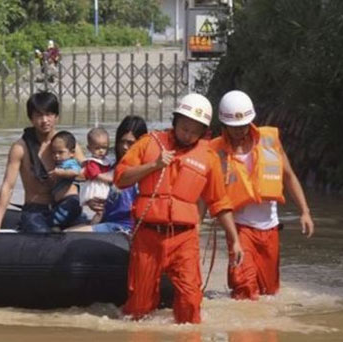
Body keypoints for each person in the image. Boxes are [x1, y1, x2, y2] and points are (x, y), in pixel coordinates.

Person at [114, 93, 244, 323]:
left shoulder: (209, 158)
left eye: (195, 131)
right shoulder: (149, 143)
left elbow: (220, 203)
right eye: (184, 128)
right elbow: (121, 178)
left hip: (184, 239)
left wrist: (234, 240)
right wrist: (154, 165)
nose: (188, 135)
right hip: (148, 236)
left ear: (204, 132)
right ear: (175, 122)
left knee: (191, 304)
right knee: (138, 309)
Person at [210, 90, 314, 300]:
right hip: (239, 229)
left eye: (243, 126)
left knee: (269, 293)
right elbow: (206, 194)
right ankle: (242, 332)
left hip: (269, 228)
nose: (239, 131)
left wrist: (305, 211)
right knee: (245, 289)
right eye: (233, 127)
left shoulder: (269, 141)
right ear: (224, 126)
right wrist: (194, 227)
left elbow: (289, 176)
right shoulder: (216, 151)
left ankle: (264, 332)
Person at [0, 92, 84, 233]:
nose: (45, 120)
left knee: (87, 232)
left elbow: (88, 172)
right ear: (31, 118)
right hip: (36, 211)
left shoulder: (69, 145)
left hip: (66, 207)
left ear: (56, 116)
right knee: (43, 237)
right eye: (39, 115)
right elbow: (8, 186)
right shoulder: (20, 148)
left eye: (49, 114)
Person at [67, 116, 148, 233]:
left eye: (130, 143)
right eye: (121, 142)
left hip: (126, 228)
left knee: (69, 235)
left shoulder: (144, 171)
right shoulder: (109, 166)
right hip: (107, 222)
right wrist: (91, 202)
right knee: (64, 233)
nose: (124, 147)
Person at [48, 131, 83, 230]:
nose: (57, 156)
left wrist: (60, 173)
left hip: (70, 201)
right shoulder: (60, 164)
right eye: (54, 152)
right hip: (61, 203)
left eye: (60, 152)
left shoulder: (71, 163)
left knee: (52, 221)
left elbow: (75, 172)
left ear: (72, 153)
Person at [79, 127, 113, 224]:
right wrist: (112, 179)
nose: (101, 151)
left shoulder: (106, 160)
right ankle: (92, 226)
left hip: (103, 186)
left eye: (104, 147)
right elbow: (98, 176)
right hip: (96, 189)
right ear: (89, 148)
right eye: (97, 148)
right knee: (100, 211)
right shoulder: (91, 163)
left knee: (104, 210)